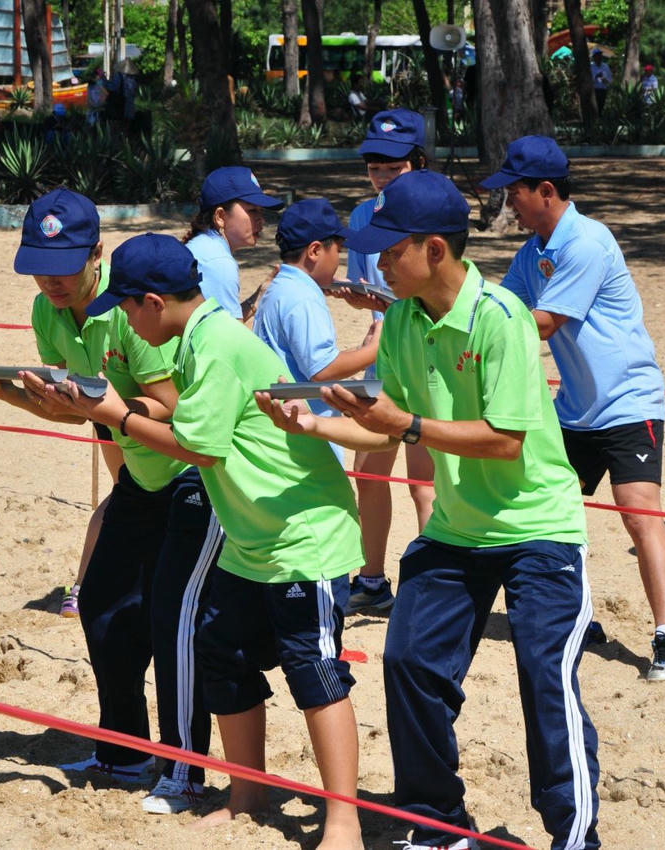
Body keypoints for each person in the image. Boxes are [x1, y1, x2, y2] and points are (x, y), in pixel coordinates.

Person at [256, 169, 598, 850]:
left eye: (390, 251)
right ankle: (438, 823)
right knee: (409, 662)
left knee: (545, 680)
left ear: (434, 249)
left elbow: (504, 440)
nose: (377, 266)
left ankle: (573, 835)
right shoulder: (405, 321)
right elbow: (385, 430)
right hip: (456, 530)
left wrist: (406, 424)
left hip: (540, 530)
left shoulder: (500, 317)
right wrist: (313, 424)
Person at [38, 233, 363, 849]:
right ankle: (247, 796)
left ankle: (343, 823)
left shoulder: (214, 344)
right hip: (249, 537)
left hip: (303, 538)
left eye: (126, 306)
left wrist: (116, 415)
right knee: (222, 654)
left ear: (154, 303)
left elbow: (198, 448)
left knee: (315, 672)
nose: (123, 319)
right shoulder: (194, 341)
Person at [0, 189, 222, 813]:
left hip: (189, 478)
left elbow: (173, 409)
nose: (50, 279)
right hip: (140, 479)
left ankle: (185, 769)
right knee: (102, 604)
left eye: (63, 265)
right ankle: (125, 752)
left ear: (97, 254)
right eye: (38, 266)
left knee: (172, 623)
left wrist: (105, 408)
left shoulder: (128, 311)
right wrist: (3, 393)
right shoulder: (46, 311)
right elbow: (74, 412)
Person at [484, 135, 665, 682]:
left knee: (639, 512)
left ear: (545, 191)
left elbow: (539, 324)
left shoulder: (586, 243)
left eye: (514, 192)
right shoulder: (532, 252)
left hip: (628, 402)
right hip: (573, 409)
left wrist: (470, 322)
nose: (509, 203)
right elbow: (500, 310)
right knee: (550, 511)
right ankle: (576, 613)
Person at [334, 108, 436, 613]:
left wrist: (388, 305)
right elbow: (372, 292)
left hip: (429, 358)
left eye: (393, 166)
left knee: (424, 480)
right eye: (374, 166)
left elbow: (437, 296)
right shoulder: (361, 217)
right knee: (370, 472)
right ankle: (372, 580)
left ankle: (433, 586)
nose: (382, 175)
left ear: (418, 162)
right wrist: (362, 302)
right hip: (385, 355)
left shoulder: (435, 212)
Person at [253, 198, 380, 445]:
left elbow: (307, 359)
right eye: (338, 251)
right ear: (314, 251)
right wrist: (376, 348)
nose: (338, 260)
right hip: (303, 438)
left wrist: (359, 351)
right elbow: (322, 370)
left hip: (287, 427)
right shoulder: (302, 297)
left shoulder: (283, 286)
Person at [183, 166, 282, 321]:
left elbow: (221, 327)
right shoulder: (218, 262)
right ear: (220, 216)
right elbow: (226, 335)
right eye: (252, 211)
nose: (261, 220)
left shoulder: (205, 246)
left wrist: (259, 296)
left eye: (261, 211)